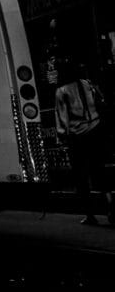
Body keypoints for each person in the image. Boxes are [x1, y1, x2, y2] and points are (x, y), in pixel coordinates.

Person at [54, 60, 112, 226]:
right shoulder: (87, 84)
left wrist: (62, 137)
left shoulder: (62, 91)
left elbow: (62, 118)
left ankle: (90, 214)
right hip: (95, 129)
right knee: (99, 169)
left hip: (77, 136)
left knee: (81, 176)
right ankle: (109, 201)